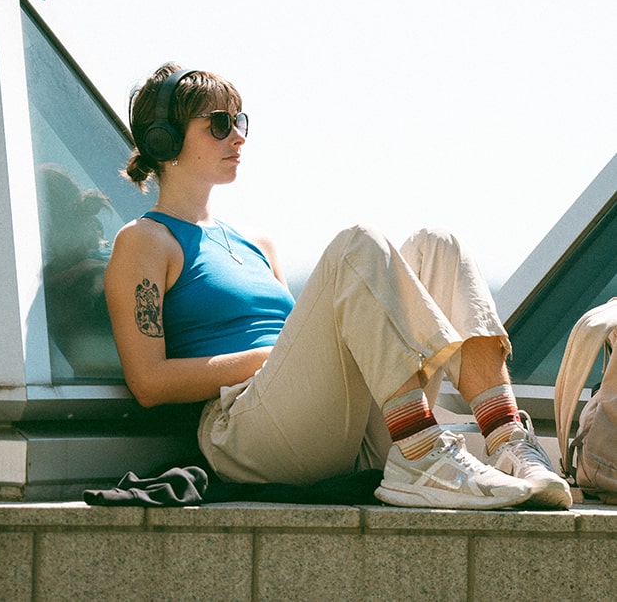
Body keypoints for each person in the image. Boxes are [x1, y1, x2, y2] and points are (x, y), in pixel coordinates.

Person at [103, 63, 572, 510]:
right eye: (220, 123)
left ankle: (509, 441)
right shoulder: (146, 240)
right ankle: (423, 454)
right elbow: (149, 382)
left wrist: (287, 356)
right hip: (242, 432)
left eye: (240, 119)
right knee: (357, 243)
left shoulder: (257, 243)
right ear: (164, 139)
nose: (239, 135)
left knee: (437, 244)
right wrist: (270, 358)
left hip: (331, 431)